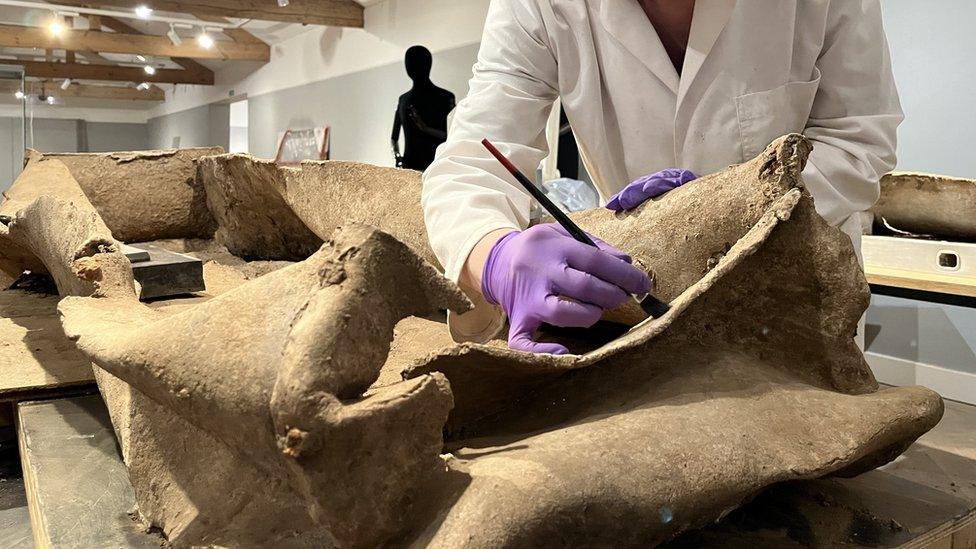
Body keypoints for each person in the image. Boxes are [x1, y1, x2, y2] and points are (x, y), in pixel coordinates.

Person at [422, 0, 902, 354]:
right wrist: (493, 256)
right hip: (642, 293)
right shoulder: (538, 6)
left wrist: (726, 211)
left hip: (796, 295)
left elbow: (858, 140)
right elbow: (474, 162)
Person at [392, 45, 456, 171]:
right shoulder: (403, 100)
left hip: (437, 165)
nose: (410, 67)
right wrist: (397, 157)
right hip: (410, 166)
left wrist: (425, 128)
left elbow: (452, 135)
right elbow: (394, 138)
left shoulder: (445, 97)